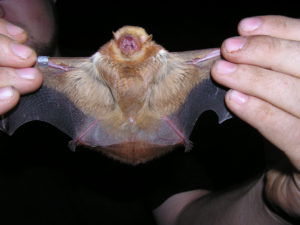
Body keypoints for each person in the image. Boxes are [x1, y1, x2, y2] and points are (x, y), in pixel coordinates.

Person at [0, 1, 299, 224]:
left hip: (153, 131)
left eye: (139, 40)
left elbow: (186, 216)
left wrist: (277, 201)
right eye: (121, 40)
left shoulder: (181, 70)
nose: (129, 45)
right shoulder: (63, 78)